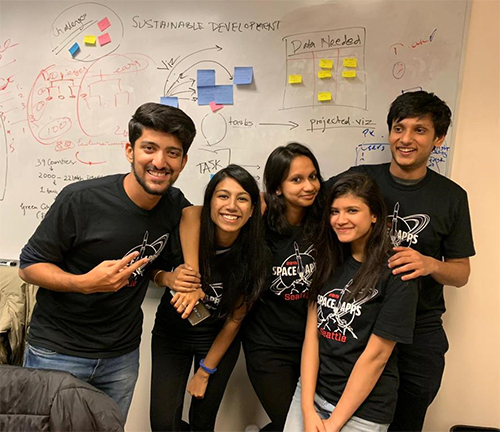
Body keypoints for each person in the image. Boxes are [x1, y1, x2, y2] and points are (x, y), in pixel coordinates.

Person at [18, 102, 196, 420]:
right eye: (149, 148)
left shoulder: (173, 204)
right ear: (130, 150)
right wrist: (84, 283)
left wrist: (172, 277)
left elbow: (177, 232)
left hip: (121, 356)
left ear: (183, 161)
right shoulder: (81, 199)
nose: (160, 161)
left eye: (172, 152)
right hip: (58, 352)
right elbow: (29, 266)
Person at [326, 91, 476, 431]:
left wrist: (431, 265)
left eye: (419, 130)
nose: (406, 139)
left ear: (438, 138)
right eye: (399, 128)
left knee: (407, 420)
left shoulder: (451, 197)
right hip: (359, 325)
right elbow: (305, 204)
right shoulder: (362, 179)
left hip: (417, 330)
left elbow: (462, 273)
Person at [284, 173, 418, 432]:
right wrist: (307, 408)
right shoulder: (328, 259)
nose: (340, 220)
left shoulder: (397, 271)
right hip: (313, 393)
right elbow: (312, 336)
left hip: (363, 408)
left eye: (352, 210)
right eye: (334, 211)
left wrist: (334, 423)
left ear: (375, 215)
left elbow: (377, 356)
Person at [150, 164, 267, 432]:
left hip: (216, 341)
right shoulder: (187, 233)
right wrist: (171, 279)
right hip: (171, 336)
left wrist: (205, 372)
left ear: (252, 211)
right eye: (223, 196)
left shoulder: (256, 256)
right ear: (210, 202)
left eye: (242, 198)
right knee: (162, 423)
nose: (231, 206)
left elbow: (234, 322)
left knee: (202, 423)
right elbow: (152, 271)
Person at [243, 142, 324, 432]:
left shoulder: (327, 223)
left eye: (313, 176)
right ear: (276, 188)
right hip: (269, 348)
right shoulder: (258, 225)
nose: (309, 186)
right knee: (294, 424)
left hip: (317, 346)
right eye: (296, 179)